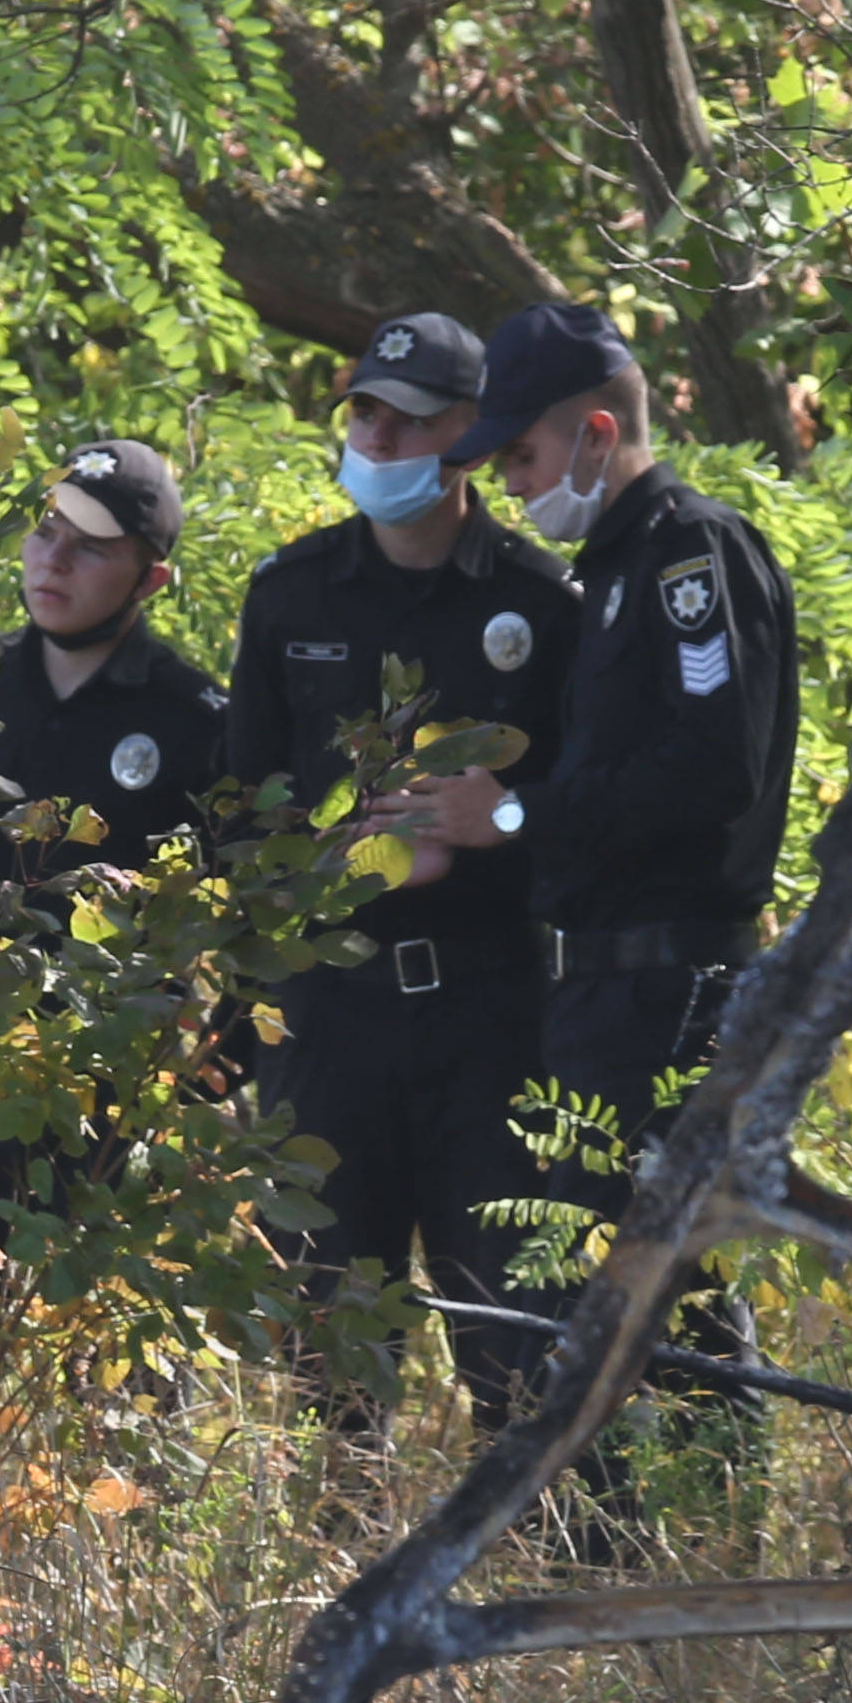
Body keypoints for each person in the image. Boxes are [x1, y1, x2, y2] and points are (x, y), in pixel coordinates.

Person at [219, 313, 579, 1424]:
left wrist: (499, 822)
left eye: (411, 419)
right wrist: (338, 863)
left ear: (469, 437)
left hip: (491, 1017)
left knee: (516, 1341)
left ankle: (543, 1570)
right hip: (333, 1016)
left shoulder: (538, 603)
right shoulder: (292, 597)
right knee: (332, 1351)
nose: (378, 437)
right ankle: (343, 1568)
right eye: (365, 412)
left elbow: (590, 816)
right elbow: (236, 820)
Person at [390, 303, 799, 1174]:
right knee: (602, 1292)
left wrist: (508, 817)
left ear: (597, 435)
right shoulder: (612, 572)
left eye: (523, 456)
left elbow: (713, 766)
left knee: (658, 1287)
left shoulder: (692, 552)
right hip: (601, 995)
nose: (509, 482)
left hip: (674, 990)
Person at [0, 435, 223, 1245]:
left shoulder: (193, 723)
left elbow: (230, 929)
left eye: (91, 549)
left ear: (151, 578)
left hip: (96, 1104)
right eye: (45, 531)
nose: (54, 562)